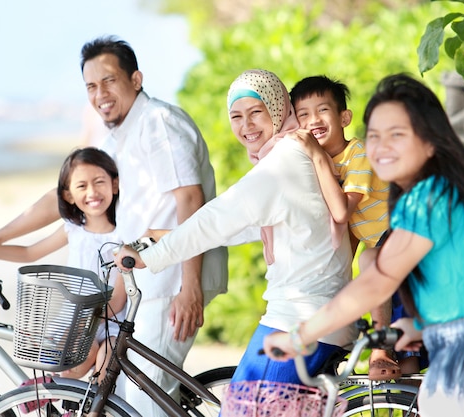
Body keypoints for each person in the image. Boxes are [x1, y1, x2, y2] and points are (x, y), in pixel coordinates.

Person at [0, 35, 228, 417]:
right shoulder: (119, 137)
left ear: (136, 79)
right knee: (124, 403)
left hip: (170, 285)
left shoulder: (157, 123)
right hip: (139, 289)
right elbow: (63, 196)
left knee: (145, 408)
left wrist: (190, 287)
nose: (100, 94)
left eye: (109, 80)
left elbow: (190, 201)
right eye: (91, 86)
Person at [114, 69, 357, 388]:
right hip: (320, 313)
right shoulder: (296, 153)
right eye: (236, 116)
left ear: (279, 108)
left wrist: (155, 255)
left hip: (301, 318)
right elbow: (243, 226)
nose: (247, 125)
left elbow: (219, 217)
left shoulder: (284, 160)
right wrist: (159, 238)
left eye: (257, 112)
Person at [263, 73, 464, 417]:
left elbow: (376, 282)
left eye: (397, 134)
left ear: (430, 141)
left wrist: (298, 336)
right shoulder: (446, 193)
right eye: (375, 135)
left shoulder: (430, 200)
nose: (381, 147)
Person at [0, 147, 125, 383]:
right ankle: (57, 396)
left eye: (99, 182)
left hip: (110, 321)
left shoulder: (123, 236)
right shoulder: (74, 229)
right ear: (68, 196)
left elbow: (117, 301)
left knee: (105, 366)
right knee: (70, 366)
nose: (92, 192)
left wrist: (83, 325)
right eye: (81, 186)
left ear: (115, 185)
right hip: (75, 319)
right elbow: (29, 252)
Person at [288, 75, 405, 380]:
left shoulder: (358, 154)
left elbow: (345, 212)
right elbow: (349, 231)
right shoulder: (320, 161)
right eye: (303, 114)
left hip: (400, 228)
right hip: (376, 237)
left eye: (322, 110)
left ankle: (381, 347)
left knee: (370, 264)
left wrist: (315, 156)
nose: (313, 119)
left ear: (344, 117)